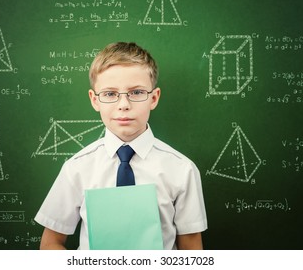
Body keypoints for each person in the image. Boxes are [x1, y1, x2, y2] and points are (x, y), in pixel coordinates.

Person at [34, 42, 207, 250]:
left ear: (154, 98)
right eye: (109, 94)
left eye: (136, 92)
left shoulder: (182, 169)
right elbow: (51, 242)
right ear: (94, 100)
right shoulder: (77, 168)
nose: (123, 104)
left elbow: (191, 248)